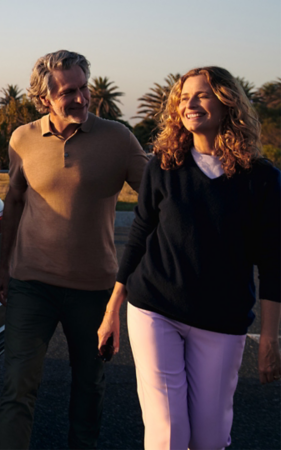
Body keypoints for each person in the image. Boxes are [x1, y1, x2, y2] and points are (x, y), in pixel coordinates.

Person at [97, 66, 281, 449]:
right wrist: (113, 309)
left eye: (202, 95)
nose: (190, 104)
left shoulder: (261, 178)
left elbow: (273, 262)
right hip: (155, 309)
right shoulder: (163, 167)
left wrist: (268, 338)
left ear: (228, 103)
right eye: (183, 98)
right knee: (167, 434)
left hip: (222, 321)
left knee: (210, 438)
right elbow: (139, 238)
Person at [0, 50, 148, 449]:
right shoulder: (22, 139)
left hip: (94, 290)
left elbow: (158, 201)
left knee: (89, 388)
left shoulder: (119, 139)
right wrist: (3, 270)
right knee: (17, 390)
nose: (80, 98)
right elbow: (15, 204)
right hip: (30, 285)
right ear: (44, 99)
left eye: (83, 87)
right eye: (67, 92)